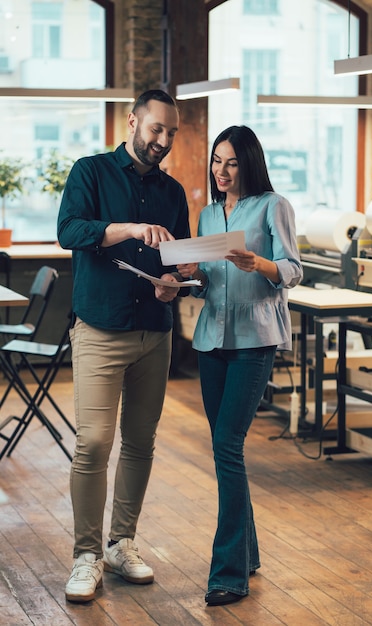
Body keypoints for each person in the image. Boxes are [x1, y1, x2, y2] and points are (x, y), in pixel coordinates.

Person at [57, 89, 190, 603]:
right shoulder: (89, 172)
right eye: (157, 129)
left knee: (140, 441)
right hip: (99, 329)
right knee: (92, 443)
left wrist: (175, 279)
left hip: (154, 330)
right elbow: (69, 230)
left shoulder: (173, 191)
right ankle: (86, 554)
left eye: (172, 133)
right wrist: (128, 229)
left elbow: (176, 256)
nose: (164, 140)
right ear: (133, 121)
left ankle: (120, 542)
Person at [176, 125, 303, 606]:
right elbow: (211, 284)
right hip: (212, 340)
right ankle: (246, 552)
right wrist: (191, 276)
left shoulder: (274, 206)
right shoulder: (209, 214)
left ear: (248, 162)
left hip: (255, 340)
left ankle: (229, 573)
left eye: (231, 162)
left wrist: (259, 264)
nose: (221, 171)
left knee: (228, 445)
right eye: (216, 161)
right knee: (224, 446)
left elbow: (292, 269)